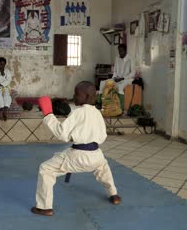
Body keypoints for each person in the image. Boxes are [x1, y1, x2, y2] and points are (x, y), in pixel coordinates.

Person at [31, 81, 121, 216]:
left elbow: (62, 134)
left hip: (78, 157)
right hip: (96, 155)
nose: (74, 96)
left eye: (76, 94)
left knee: (46, 169)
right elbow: (102, 136)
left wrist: (49, 115)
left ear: (86, 96)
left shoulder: (78, 112)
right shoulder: (97, 113)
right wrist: (81, 136)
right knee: (103, 167)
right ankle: (114, 195)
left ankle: (44, 207)